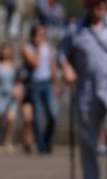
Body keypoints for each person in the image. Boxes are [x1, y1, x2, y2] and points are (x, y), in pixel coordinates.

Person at [58, 0, 107, 179]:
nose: (101, 5)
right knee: (88, 146)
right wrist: (67, 69)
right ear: (87, 4)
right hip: (87, 93)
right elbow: (61, 54)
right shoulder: (74, 31)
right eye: (96, 2)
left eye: (103, 1)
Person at [21, 23, 60, 154]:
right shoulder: (27, 48)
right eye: (40, 34)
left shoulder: (47, 47)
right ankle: (41, 145)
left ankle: (48, 140)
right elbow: (35, 63)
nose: (42, 37)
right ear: (33, 35)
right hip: (34, 84)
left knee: (53, 114)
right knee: (37, 116)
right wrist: (37, 48)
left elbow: (52, 65)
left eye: (43, 34)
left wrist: (56, 83)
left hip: (47, 82)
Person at [0, 42, 18, 152]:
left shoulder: (14, 64)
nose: (5, 52)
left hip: (12, 94)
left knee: (11, 119)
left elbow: (18, 79)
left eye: (7, 50)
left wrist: (18, 89)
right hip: (0, 94)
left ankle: (8, 141)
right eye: (3, 50)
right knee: (0, 118)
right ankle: (0, 139)